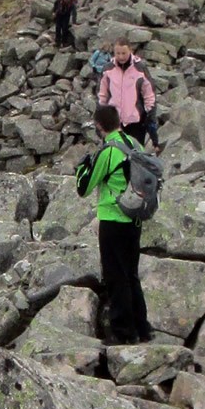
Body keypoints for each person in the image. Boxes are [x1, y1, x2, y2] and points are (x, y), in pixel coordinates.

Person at [78, 105, 154, 345]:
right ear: (119, 121)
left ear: (99, 126)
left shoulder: (108, 152)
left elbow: (84, 187)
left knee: (115, 275)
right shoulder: (135, 145)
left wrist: (82, 167)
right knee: (131, 273)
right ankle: (143, 328)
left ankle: (123, 331)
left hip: (113, 218)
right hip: (135, 218)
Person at [97, 40, 158, 151]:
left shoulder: (140, 68)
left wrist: (151, 116)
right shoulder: (108, 69)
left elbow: (149, 94)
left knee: (135, 155)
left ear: (130, 50)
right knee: (113, 153)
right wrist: (100, 118)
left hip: (135, 121)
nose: (121, 57)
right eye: (118, 53)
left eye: (124, 53)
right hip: (113, 122)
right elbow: (102, 95)